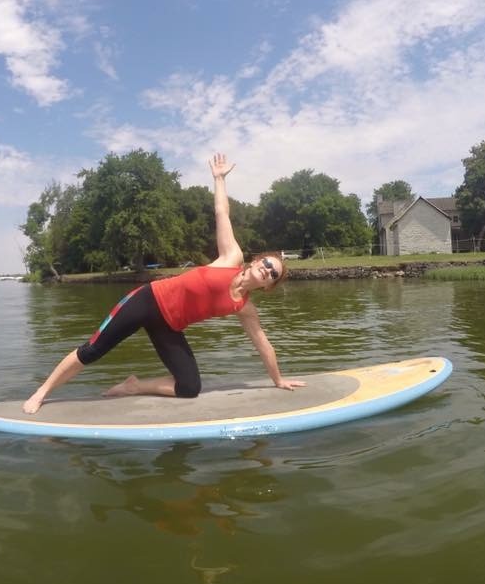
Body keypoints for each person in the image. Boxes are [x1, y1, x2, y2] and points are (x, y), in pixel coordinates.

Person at [22, 153, 305, 414]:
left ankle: (134, 385)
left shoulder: (244, 307)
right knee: (93, 350)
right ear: (256, 261)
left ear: (269, 286)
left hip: (169, 326)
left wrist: (278, 380)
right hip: (147, 301)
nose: (268, 270)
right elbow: (222, 213)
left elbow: (263, 344)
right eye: (267, 264)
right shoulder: (231, 257)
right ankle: (42, 391)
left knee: (189, 387)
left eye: (273, 274)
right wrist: (219, 179)